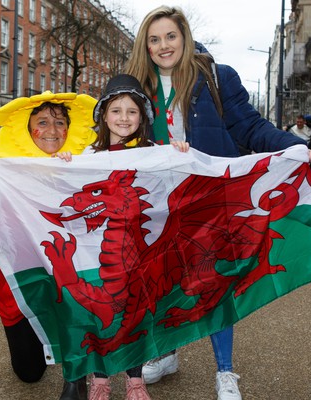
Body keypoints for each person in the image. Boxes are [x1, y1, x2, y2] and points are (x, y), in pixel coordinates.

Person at [125, 6, 311, 400]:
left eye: (170, 36)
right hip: (154, 202)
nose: (163, 46)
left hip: (208, 198)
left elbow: (249, 126)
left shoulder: (215, 77)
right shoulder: (135, 85)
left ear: (184, 37)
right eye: (154, 39)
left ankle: (225, 372)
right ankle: (166, 352)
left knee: (213, 283)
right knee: (161, 282)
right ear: (146, 44)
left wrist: (294, 147)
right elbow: (112, 131)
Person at [0, 91, 98, 400]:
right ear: (27, 127)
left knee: (80, 313)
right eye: (43, 122)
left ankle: (76, 375)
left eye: (60, 122)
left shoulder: (82, 164)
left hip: (66, 285)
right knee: (29, 373)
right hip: (22, 287)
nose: (52, 131)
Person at [86, 73, 187, 400]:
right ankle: (99, 378)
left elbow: (173, 191)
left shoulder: (155, 153)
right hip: (96, 250)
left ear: (142, 116)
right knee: (100, 314)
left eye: (131, 111)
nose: (124, 118)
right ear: (103, 114)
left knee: (136, 313)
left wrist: (181, 154)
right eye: (116, 110)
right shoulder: (88, 155)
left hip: (140, 253)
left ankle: (135, 379)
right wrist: (63, 164)